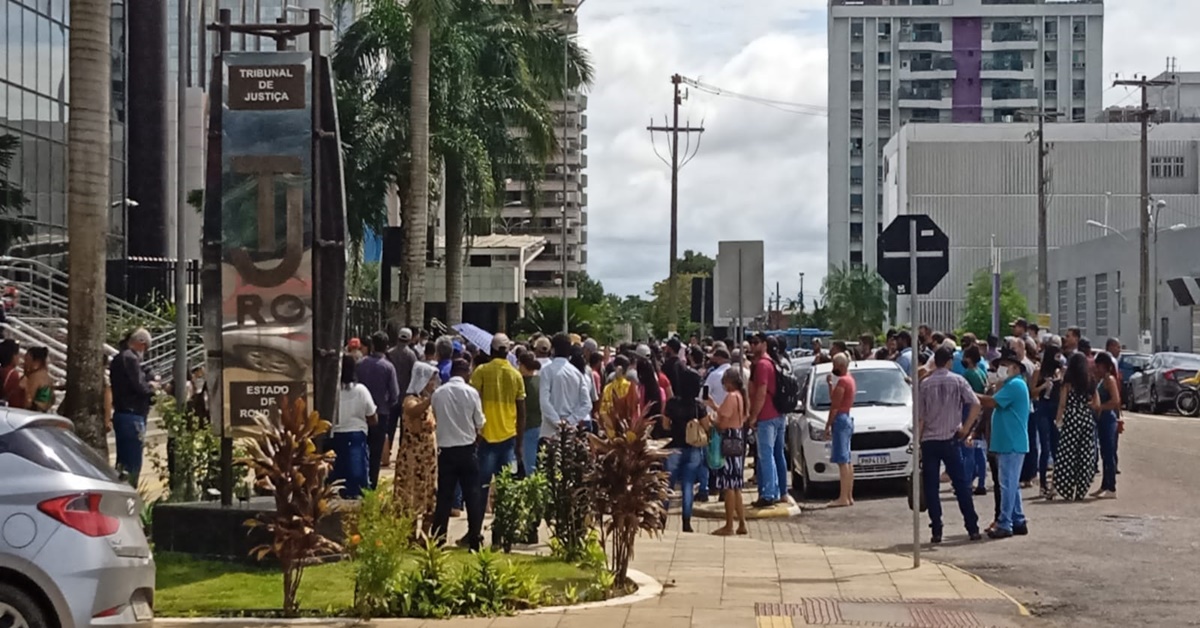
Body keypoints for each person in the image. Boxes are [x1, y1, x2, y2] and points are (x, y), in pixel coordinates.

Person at [919, 347, 983, 543]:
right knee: (961, 485)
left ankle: (936, 529)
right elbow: (975, 403)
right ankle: (972, 527)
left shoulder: (925, 385)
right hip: (951, 438)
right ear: (948, 362)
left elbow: (920, 417)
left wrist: (918, 443)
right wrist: (966, 428)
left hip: (930, 440)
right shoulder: (958, 380)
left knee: (931, 487)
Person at [431, 359, 486, 551]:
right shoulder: (472, 393)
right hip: (467, 449)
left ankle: (438, 538)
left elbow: (437, 417)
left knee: (444, 496)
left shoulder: (438, 394)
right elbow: (480, 422)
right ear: (466, 372)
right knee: (473, 496)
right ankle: (474, 538)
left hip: (446, 451)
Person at [977, 349, 1031, 539]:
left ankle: (1005, 523)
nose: (1000, 369)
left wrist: (971, 394)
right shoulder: (1010, 385)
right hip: (1008, 441)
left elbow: (992, 403)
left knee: (1007, 484)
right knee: (1011, 484)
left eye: (1004, 366)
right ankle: (1017, 519)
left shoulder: (1015, 385)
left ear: (1015, 368)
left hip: (1011, 442)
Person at [470, 334, 526, 504]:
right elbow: (522, 412)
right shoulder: (516, 375)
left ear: (491, 350)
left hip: (485, 436)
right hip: (509, 438)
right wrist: (519, 444)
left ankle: (475, 529)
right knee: (506, 490)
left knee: (481, 488)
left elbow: (472, 401)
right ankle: (501, 529)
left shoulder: (481, 371)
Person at [663, 356, 705, 533]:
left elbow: (665, 425)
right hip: (693, 448)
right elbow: (707, 426)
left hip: (674, 447)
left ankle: (661, 518)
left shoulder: (672, 403)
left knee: (668, 485)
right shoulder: (698, 406)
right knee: (688, 485)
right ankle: (686, 521)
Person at [705, 367, 749, 536]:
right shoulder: (740, 397)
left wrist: (713, 422)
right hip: (737, 438)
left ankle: (729, 524)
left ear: (729, 382)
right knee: (736, 485)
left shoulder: (731, 397)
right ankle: (741, 523)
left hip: (728, 439)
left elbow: (722, 423)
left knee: (729, 485)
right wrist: (714, 407)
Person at [396, 362, 439, 530]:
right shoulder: (410, 400)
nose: (433, 384)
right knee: (411, 493)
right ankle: (409, 532)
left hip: (428, 457)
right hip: (413, 457)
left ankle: (426, 533)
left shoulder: (426, 401)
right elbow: (413, 412)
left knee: (429, 493)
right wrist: (430, 400)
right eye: (430, 380)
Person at [110, 329, 155, 488]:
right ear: (141, 343)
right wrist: (152, 387)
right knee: (132, 465)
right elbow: (140, 387)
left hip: (123, 414)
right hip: (132, 415)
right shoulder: (129, 359)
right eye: (146, 347)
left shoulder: (119, 359)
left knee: (123, 464)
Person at [1051, 352, 1099, 502]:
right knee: (1084, 455)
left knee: (1068, 454)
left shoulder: (1068, 382)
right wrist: (1085, 406)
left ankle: (1067, 487)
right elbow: (1097, 404)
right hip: (1085, 418)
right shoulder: (1090, 381)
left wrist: (1058, 420)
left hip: (1071, 418)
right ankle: (1081, 488)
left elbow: (1063, 404)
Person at [356, 332, 400, 489]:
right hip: (381, 414)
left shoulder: (360, 364)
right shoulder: (388, 367)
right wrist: (386, 405)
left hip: (361, 414)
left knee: (361, 449)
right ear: (386, 346)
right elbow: (395, 394)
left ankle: (360, 482)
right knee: (375, 453)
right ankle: (371, 485)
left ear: (372, 345)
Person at [748, 332, 787, 507]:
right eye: (751, 342)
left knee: (766, 455)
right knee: (777, 454)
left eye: (756, 342)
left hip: (767, 416)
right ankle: (780, 491)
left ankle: (769, 493)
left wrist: (753, 416)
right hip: (778, 414)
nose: (752, 345)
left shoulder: (763, 365)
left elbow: (761, 392)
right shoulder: (772, 362)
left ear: (764, 344)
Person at [330, 354, 377, 499]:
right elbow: (372, 417)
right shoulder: (361, 390)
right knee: (358, 478)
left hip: (334, 436)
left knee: (336, 477)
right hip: (356, 437)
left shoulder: (331, 391)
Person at [539, 333, 592, 440]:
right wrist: (570, 421)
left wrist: (557, 421)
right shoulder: (577, 373)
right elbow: (587, 404)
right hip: (570, 432)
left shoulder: (547, 371)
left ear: (553, 349)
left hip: (549, 432)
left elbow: (544, 401)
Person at [824, 354, 857, 508]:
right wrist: (830, 385)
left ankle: (843, 497)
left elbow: (835, 406)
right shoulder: (850, 379)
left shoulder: (843, 381)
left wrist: (828, 425)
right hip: (847, 417)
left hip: (841, 419)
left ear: (840, 365)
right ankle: (848, 495)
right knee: (847, 459)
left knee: (842, 461)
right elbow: (836, 398)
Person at [1031, 345, 1063, 499]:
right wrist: (1044, 385)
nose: (1059, 359)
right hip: (1043, 408)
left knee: (1057, 447)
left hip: (1056, 409)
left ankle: (1056, 482)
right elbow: (1032, 392)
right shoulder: (1039, 371)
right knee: (1045, 446)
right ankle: (1043, 483)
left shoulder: (1060, 372)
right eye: (1056, 356)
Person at [386, 327, 419, 466]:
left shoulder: (389, 353)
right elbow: (415, 374)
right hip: (406, 395)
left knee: (390, 427)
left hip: (391, 395)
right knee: (405, 427)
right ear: (410, 338)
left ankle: (386, 454)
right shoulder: (411, 355)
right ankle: (402, 454)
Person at [1092, 352, 1121, 499]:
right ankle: (1105, 484)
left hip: (1108, 419)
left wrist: (1100, 407)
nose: (1096, 368)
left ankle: (1111, 486)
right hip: (1102, 419)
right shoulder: (1100, 380)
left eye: (1098, 365)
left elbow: (1116, 400)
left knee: (1109, 453)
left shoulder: (1109, 380)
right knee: (1104, 452)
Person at [961, 347, 989, 495]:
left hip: (969, 411)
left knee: (968, 450)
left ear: (969, 359)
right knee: (979, 450)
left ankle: (966, 482)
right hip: (982, 411)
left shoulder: (968, 374)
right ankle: (982, 482)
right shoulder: (981, 373)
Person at [516, 352, 543, 476]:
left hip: (526, 426)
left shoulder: (521, 383)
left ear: (522, 365)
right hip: (540, 424)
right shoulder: (540, 381)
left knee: (528, 463)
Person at [23, 347, 53, 412]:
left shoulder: (35, 377)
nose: (24, 363)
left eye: (27, 360)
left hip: (33, 412)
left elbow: (28, 401)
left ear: (36, 361)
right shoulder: (47, 376)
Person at [0, 339, 24, 409]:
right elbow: (15, 400)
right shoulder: (12, 374)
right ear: (13, 356)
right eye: (17, 354)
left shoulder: (2, 370)